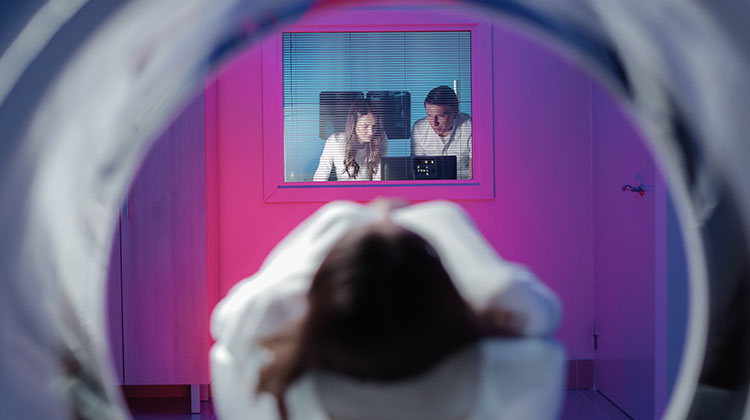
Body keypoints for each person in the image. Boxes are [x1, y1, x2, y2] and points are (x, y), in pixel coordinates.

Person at [210, 200, 564, 420]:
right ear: (441, 294)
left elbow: (239, 316)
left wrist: (340, 217)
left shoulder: (278, 387)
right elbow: (521, 301)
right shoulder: (516, 374)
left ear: (327, 300)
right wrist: (440, 217)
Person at [313, 99, 387, 181]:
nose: (371, 132)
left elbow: (379, 176)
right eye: (365, 126)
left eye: (374, 126)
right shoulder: (335, 141)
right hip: (343, 191)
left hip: (369, 190)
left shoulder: (380, 138)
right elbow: (321, 174)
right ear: (354, 124)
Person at [411, 86, 473, 179]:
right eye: (429, 115)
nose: (434, 123)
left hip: (463, 183)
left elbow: (476, 168)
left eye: (440, 116)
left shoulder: (470, 126)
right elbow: (415, 167)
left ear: (455, 113)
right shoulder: (419, 128)